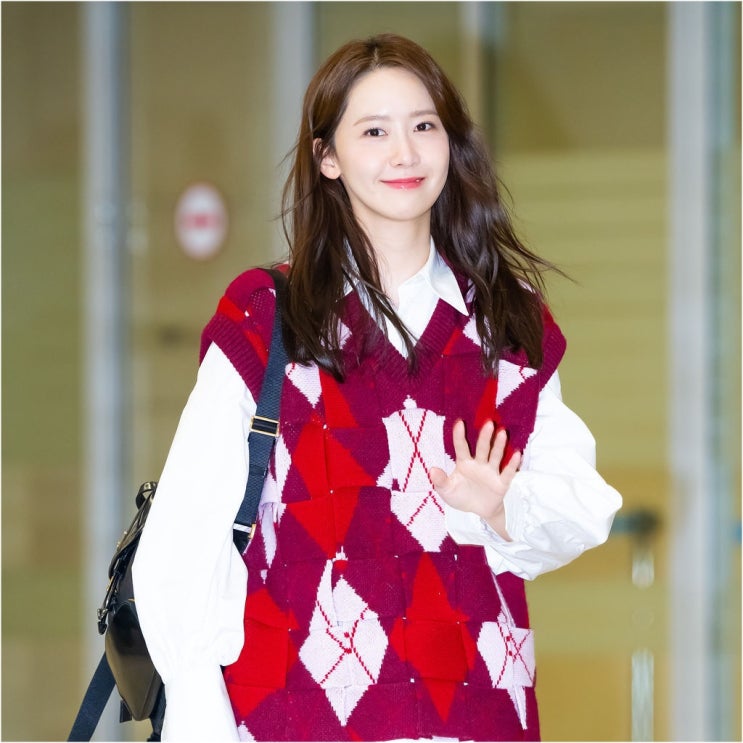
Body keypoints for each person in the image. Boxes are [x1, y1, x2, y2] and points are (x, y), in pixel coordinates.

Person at [133, 33, 622, 742]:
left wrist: (499, 506)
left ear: (451, 144)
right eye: (373, 131)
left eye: (424, 126)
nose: (404, 153)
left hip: (477, 716)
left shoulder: (505, 322)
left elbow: (578, 510)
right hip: (296, 719)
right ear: (327, 157)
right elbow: (183, 540)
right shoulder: (269, 316)